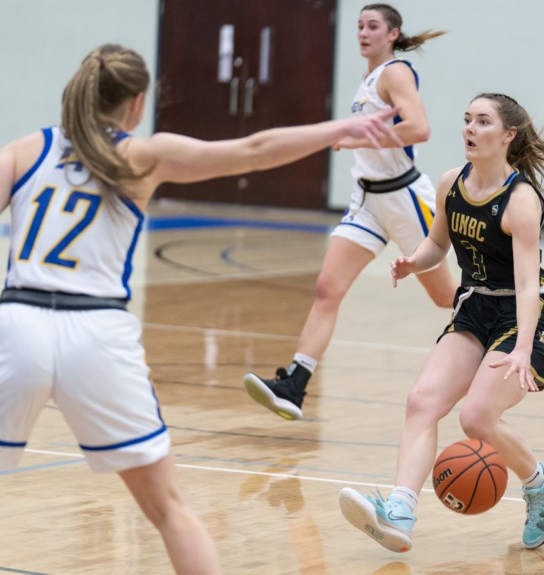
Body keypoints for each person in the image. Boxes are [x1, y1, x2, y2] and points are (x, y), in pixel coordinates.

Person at [0, 43, 402, 575]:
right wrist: (336, 130)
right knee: (169, 510)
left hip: (17, 325)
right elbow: (254, 149)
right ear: (137, 103)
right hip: (96, 333)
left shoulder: (26, 150)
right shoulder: (142, 155)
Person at [338, 93, 544, 553]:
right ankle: (399, 510)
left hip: (525, 315)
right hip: (475, 309)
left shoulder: (521, 200)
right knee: (421, 401)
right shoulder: (452, 183)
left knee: (476, 417)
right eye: (467, 120)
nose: (470, 129)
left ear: (508, 135)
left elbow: (529, 285)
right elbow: (438, 243)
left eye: (483, 121)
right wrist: (415, 262)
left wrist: (521, 349)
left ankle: (541, 484)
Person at [243, 3, 458, 420]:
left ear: (392, 33)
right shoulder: (369, 79)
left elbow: (419, 128)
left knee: (445, 297)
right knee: (328, 288)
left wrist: (357, 140)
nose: (363, 32)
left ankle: (512, 325)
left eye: (372, 26)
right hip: (367, 201)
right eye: (359, 25)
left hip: (405, 198)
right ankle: (295, 384)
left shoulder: (396, 72)